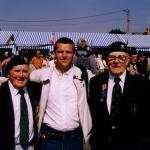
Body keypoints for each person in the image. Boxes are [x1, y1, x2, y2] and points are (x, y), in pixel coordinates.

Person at [30, 37, 92, 150]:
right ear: (54, 53)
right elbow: (21, 77)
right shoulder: (43, 74)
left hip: (74, 138)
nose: (64, 55)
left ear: (73, 53)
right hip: (49, 138)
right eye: (60, 52)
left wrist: (130, 72)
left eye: (68, 52)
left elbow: (105, 79)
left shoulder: (83, 75)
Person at [88, 41, 150, 150]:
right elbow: (92, 113)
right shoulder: (95, 82)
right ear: (106, 61)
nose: (116, 61)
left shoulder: (142, 84)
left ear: (127, 60)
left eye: (121, 58)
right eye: (112, 58)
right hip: (102, 145)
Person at [0, 56, 41, 150]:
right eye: (17, 71)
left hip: (31, 146)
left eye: (25, 71)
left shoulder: (34, 89)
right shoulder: (2, 92)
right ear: (9, 73)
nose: (21, 75)